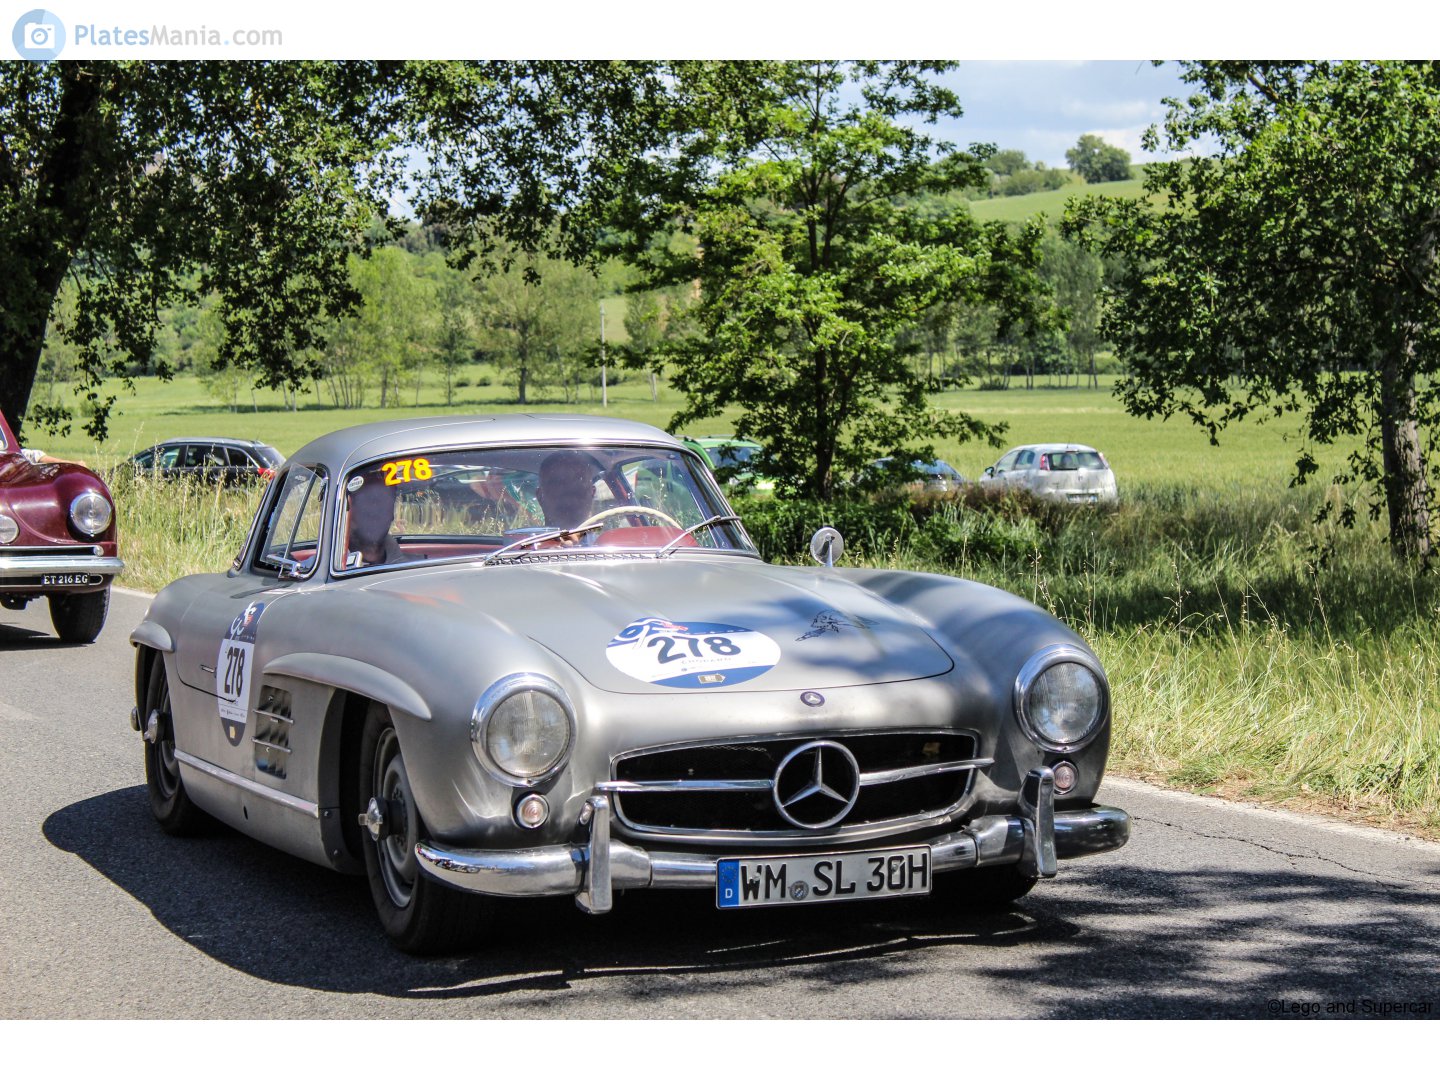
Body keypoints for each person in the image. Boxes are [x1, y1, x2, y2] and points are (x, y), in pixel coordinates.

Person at [345, 469, 404, 567]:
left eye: (384, 501)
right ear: (349, 512)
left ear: (391, 515)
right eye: (368, 500)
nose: (375, 510)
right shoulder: (319, 573)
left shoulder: (410, 569)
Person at [536, 450, 597, 530]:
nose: (568, 496)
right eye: (557, 483)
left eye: (578, 484)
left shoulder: (612, 542)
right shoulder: (523, 542)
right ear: (540, 496)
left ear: (592, 492)